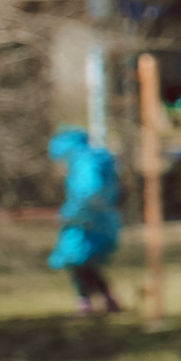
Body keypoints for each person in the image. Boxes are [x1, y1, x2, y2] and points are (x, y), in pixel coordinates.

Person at [47, 128, 123, 316]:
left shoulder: (85, 163)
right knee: (85, 264)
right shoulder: (93, 160)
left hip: (86, 223)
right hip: (97, 221)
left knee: (77, 261)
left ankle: (87, 302)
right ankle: (104, 300)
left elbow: (89, 193)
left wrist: (73, 214)